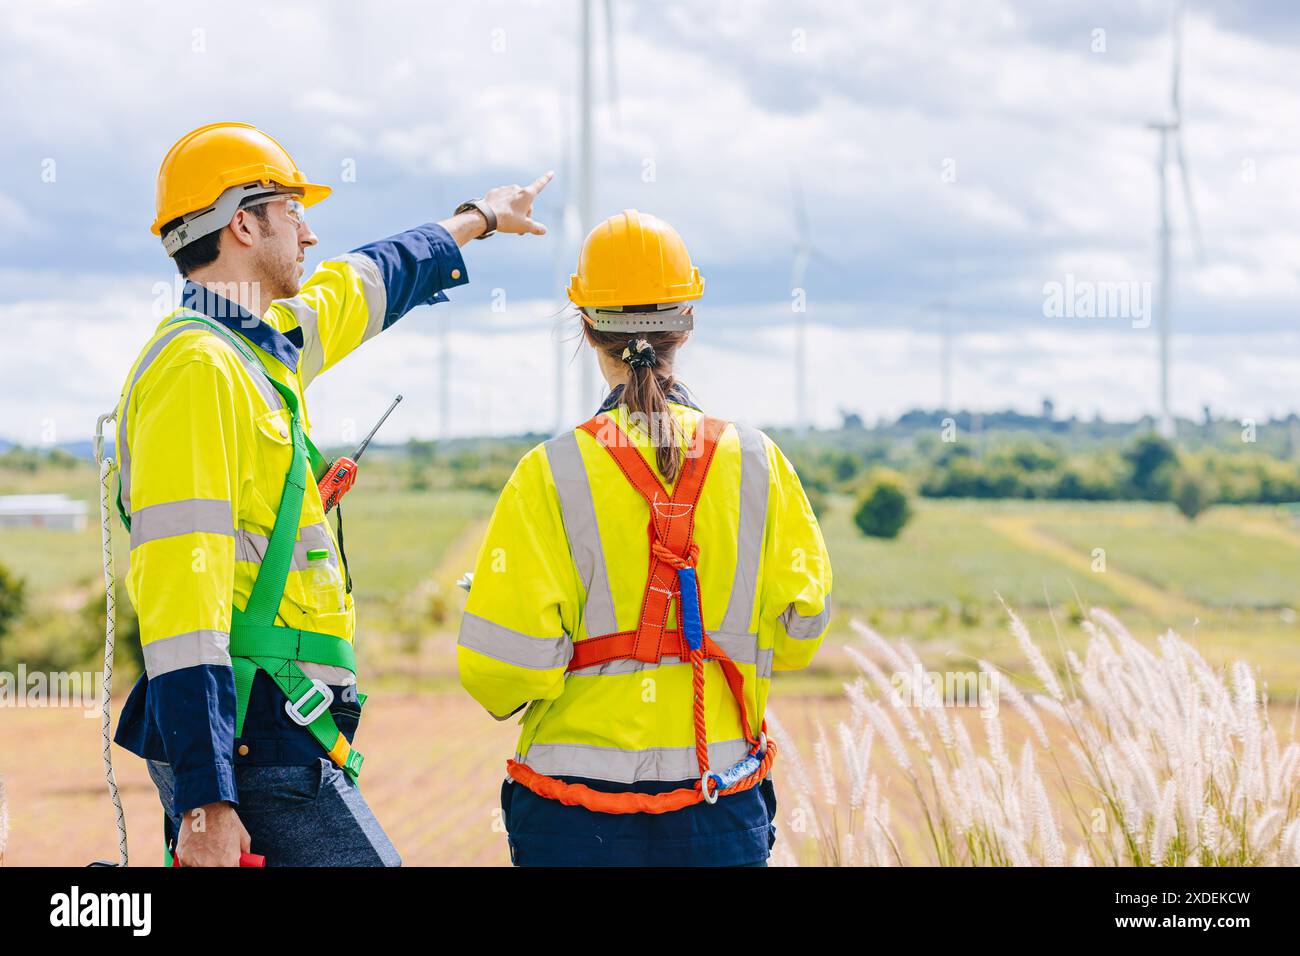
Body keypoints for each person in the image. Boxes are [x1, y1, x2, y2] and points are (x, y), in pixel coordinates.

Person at [113, 121, 552, 866]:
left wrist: (478, 218)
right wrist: (205, 798)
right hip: (255, 738)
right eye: (293, 210)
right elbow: (181, 599)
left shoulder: (260, 344)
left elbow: (369, 279)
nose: (310, 235)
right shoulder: (198, 368)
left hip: (276, 730)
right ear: (243, 223)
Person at [456, 209, 832, 866]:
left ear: (585, 325)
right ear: (686, 323)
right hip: (716, 802)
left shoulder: (548, 472)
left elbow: (501, 672)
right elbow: (802, 630)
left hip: (572, 817)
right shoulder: (758, 462)